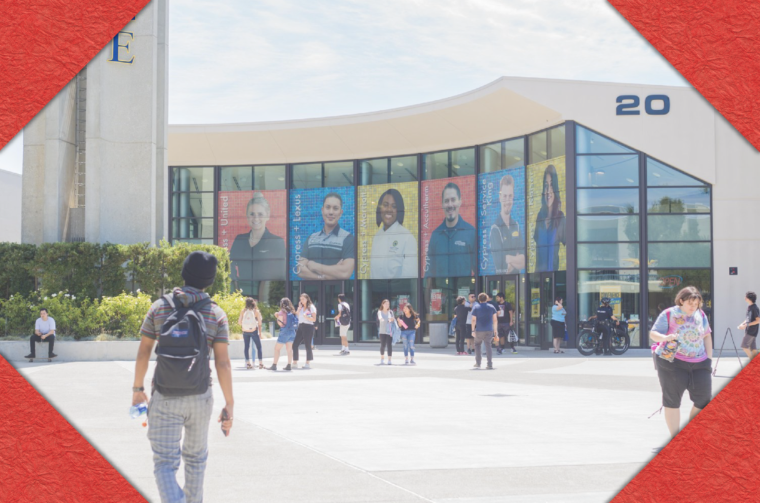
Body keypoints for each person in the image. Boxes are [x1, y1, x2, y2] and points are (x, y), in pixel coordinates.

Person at [133, 251, 234, 503]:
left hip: (165, 395)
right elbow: (222, 362)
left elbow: (144, 351)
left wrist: (137, 388)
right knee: (196, 459)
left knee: (165, 463)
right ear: (210, 280)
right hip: (200, 395)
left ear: (184, 273)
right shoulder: (216, 313)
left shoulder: (160, 307)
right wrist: (229, 402)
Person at [650, 286, 712, 445]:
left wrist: (709, 359)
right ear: (681, 300)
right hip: (672, 362)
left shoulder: (701, 314)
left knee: (704, 399)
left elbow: (707, 336)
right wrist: (665, 337)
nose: (693, 307)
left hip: (699, 362)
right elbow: (653, 334)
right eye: (690, 303)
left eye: (696, 303)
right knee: (672, 400)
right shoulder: (669, 314)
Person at [229, 193, 286, 286]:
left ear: (267, 216)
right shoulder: (240, 240)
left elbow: (279, 275)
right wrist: (235, 286)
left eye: (260, 214)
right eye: (252, 214)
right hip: (242, 292)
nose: (256, 218)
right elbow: (230, 266)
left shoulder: (276, 242)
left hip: (266, 295)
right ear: (247, 216)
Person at [297, 192, 355, 280]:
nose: (331, 212)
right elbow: (300, 270)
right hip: (310, 291)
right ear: (322, 210)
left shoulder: (348, 238)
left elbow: (345, 273)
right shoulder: (311, 238)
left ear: (341, 212)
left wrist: (315, 266)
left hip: (338, 291)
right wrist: (325, 275)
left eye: (335, 208)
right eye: (328, 207)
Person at [424, 182, 477, 278]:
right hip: (441, 292)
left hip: (464, 291)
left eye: (453, 200)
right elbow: (429, 274)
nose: (450, 204)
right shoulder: (436, 235)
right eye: (446, 201)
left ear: (460, 202)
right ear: (442, 204)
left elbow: (478, 272)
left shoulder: (471, 233)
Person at [370, 189, 417, 279]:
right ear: (380, 208)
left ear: (398, 210)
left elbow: (410, 276)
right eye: (385, 205)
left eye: (394, 206)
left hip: (398, 291)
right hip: (375, 291)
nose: (389, 210)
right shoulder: (376, 237)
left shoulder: (407, 237)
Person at [533, 164, 566, 272]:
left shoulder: (560, 218)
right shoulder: (540, 217)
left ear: (555, 188)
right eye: (546, 185)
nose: (548, 191)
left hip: (554, 278)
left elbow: (571, 247)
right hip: (538, 278)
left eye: (551, 185)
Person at [490, 175, 526, 274]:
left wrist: (508, 258)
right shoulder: (495, 229)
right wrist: (515, 258)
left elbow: (523, 261)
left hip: (518, 283)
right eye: (505, 196)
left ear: (513, 197)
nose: (507, 200)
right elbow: (502, 265)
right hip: (501, 282)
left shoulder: (517, 226)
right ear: (500, 197)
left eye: (510, 196)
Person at [268, 298, 298, 371]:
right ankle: (289, 365)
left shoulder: (281, 312)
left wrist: (277, 316)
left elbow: (280, 323)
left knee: (277, 349)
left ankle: (274, 365)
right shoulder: (292, 312)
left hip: (284, 332)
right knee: (289, 349)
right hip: (292, 331)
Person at [471, 293, 498, 370]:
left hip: (479, 330)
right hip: (489, 330)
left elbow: (473, 320)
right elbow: (495, 320)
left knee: (477, 345)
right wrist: (495, 331)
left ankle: (478, 363)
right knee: (488, 346)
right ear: (487, 299)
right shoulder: (491, 307)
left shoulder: (476, 307)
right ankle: (489, 364)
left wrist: (473, 330)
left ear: (479, 299)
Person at [237, 297, 263, 369]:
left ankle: (248, 363)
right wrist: (260, 332)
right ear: (253, 303)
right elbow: (260, 323)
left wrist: (244, 326)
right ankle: (260, 364)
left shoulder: (243, 311)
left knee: (246, 347)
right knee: (259, 347)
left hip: (245, 331)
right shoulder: (256, 311)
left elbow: (239, 322)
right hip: (254, 331)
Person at [293, 293, 317, 369]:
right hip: (300, 326)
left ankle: (307, 362)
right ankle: (295, 362)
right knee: (295, 344)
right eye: (300, 299)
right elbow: (297, 315)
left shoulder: (311, 307)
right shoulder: (301, 307)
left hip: (308, 326)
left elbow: (314, 319)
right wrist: (299, 309)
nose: (301, 300)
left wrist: (306, 316)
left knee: (307, 345)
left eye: (303, 299)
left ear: (307, 299)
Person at [738, 291, 759, 360]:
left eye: (746, 296)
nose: (744, 297)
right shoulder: (749, 307)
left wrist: (746, 325)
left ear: (749, 298)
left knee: (744, 346)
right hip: (749, 330)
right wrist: (742, 324)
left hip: (752, 331)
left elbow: (758, 320)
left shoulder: (754, 308)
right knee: (753, 348)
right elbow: (747, 319)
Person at [377, 299, 395, 365]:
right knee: (383, 345)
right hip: (382, 331)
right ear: (383, 304)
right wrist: (382, 319)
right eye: (386, 304)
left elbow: (392, 319)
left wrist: (391, 319)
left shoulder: (390, 312)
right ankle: (382, 358)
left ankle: (389, 360)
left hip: (389, 331)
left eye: (388, 304)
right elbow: (380, 317)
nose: (387, 305)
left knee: (389, 345)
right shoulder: (380, 312)